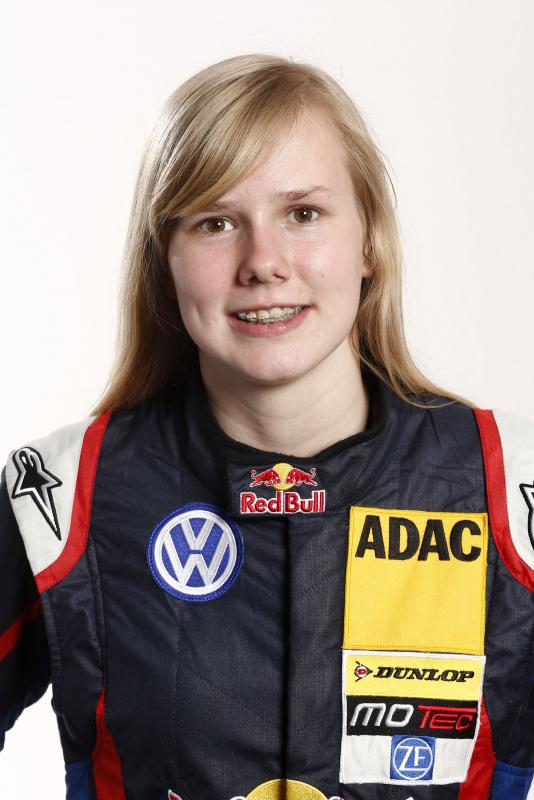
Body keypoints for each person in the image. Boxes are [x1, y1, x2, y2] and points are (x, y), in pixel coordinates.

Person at [1, 52, 533, 800]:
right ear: (164, 262)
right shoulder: (60, 498)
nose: (264, 262)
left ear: (371, 240)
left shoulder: (510, 484)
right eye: (215, 222)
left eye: (303, 214)